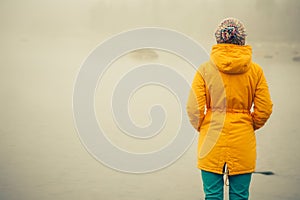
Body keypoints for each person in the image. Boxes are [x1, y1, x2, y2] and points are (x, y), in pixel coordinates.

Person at [186, 18, 273, 200]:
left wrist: (203, 125)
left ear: (218, 39)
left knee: (212, 195)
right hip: (243, 140)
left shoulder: (205, 70)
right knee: (240, 196)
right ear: (242, 40)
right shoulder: (255, 71)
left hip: (210, 139)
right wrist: (249, 124)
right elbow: (264, 109)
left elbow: (193, 107)